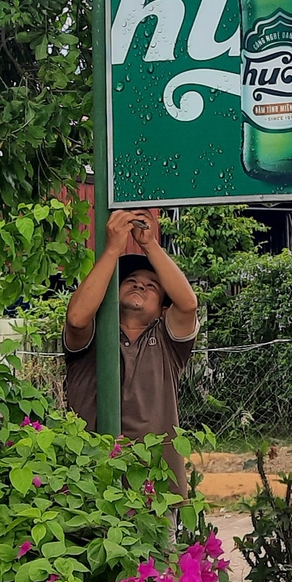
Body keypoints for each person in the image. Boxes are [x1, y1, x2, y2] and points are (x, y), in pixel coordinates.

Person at [63, 208, 199, 497]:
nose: (140, 284)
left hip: (157, 489)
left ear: (163, 309)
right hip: (90, 487)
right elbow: (75, 318)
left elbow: (187, 304)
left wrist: (150, 244)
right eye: (131, 281)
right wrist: (113, 249)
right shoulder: (94, 336)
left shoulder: (167, 342)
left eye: (152, 286)